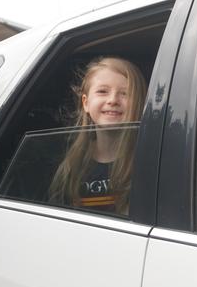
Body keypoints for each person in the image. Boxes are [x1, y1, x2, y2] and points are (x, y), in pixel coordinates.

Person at [49, 56, 147, 214]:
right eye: (102, 91)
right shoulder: (72, 165)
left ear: (140, 103)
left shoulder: (148, 162)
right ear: (86, 103)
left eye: (125, 93)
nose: (113, 100)